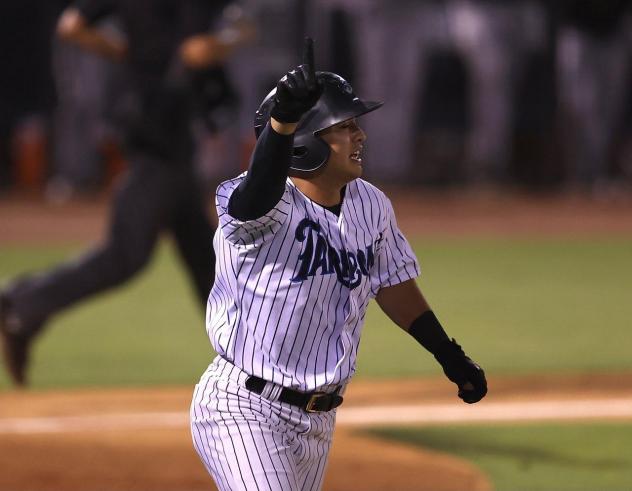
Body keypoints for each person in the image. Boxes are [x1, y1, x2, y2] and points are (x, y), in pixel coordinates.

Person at [190, 38, 487, 491]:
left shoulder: (371, 204)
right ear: (306, 142)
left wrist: (448, 353)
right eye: (345, 127)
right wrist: (282, 122)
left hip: (319, 421)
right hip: (243, 407)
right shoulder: (256, 205)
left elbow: (393, 283)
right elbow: (256, 195)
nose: (360, 135)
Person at [0, 0, 253, 387]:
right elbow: (208, 45)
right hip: (157, 135)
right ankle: (21, 302)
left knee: (205, 256)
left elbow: (71, 26)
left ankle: (246, 356)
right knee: (128, 255)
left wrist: (131, 54)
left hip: (165, 130)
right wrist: (228, 42)